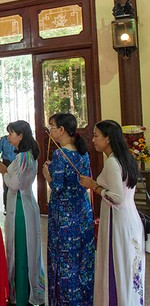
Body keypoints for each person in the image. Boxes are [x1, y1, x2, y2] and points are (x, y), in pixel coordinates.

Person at [79, 120, 145, 305]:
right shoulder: (125, 158)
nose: (93, 140)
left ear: (108, 138)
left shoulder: (113, 163)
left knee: (118, 268)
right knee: (128, 268)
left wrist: (94, 186)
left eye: (96, 136)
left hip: (119, 222)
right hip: (130, 219)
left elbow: (117, 198)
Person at [42, 113, 94, 305]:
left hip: (64, 217)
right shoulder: (83, 153)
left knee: (64, 263)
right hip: (82, 212)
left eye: (52, 127)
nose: (50, 131)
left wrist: (47, 174)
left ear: (61, 130)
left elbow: (57, 186)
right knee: (82, 260)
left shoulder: (60, 154)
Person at [0, 120, 46, 306]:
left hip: (21, 207)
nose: (8, 137)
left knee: (21, 250)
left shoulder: (23, 156)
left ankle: (23, 295)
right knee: (24, 248)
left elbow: (15, 184)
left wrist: (4, 172)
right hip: (25, 204)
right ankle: (21, 293)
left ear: (21, 136)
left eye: (11, 134)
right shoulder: (27, 155)